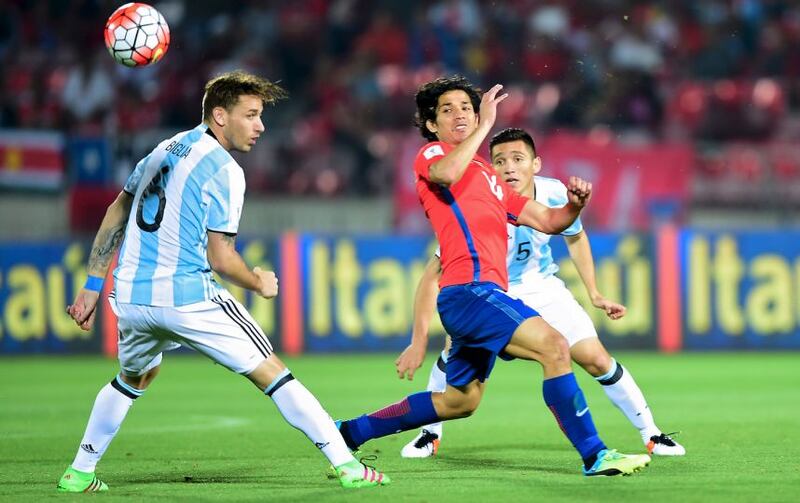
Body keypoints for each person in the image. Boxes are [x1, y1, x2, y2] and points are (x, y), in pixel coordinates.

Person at [56, 71, 389, 492]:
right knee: (274, 373)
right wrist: (257, 282)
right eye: (250, 115)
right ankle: (348, 466)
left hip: (133, 298)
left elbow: (117, 209)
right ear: (219, 115)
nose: (260, 126)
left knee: (134, 377)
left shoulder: (163, 148)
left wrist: (92, 285)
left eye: (260, 115)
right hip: (187, 297)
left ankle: (79, 472)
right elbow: (222, 258)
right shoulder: (225, 170)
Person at [335, 75, 651, 476]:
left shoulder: (487, 176)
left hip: (478, 294)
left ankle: (348, 432)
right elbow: (446, 174)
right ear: (432, 124)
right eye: (447, 110)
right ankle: (595, 454)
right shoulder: (432, 155)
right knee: (554, 346)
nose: (460, 114)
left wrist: (574, 206)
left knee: (459, 402)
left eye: (467, 108)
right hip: (470, 290)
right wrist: (485, 124)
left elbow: (547, 220)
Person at [397, 127, 685, 458]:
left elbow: (575, 235)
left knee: (596, 359)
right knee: (452, 358)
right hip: (491, 292)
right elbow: (433, 273)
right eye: (499, 161)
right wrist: (418, 339)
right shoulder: (478, 198)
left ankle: (652, 433)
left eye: (517, 159)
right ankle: (429, 434)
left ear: (536, 164)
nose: (509, 167)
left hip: (542, 287)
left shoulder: (552, 191)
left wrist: (594, 293)